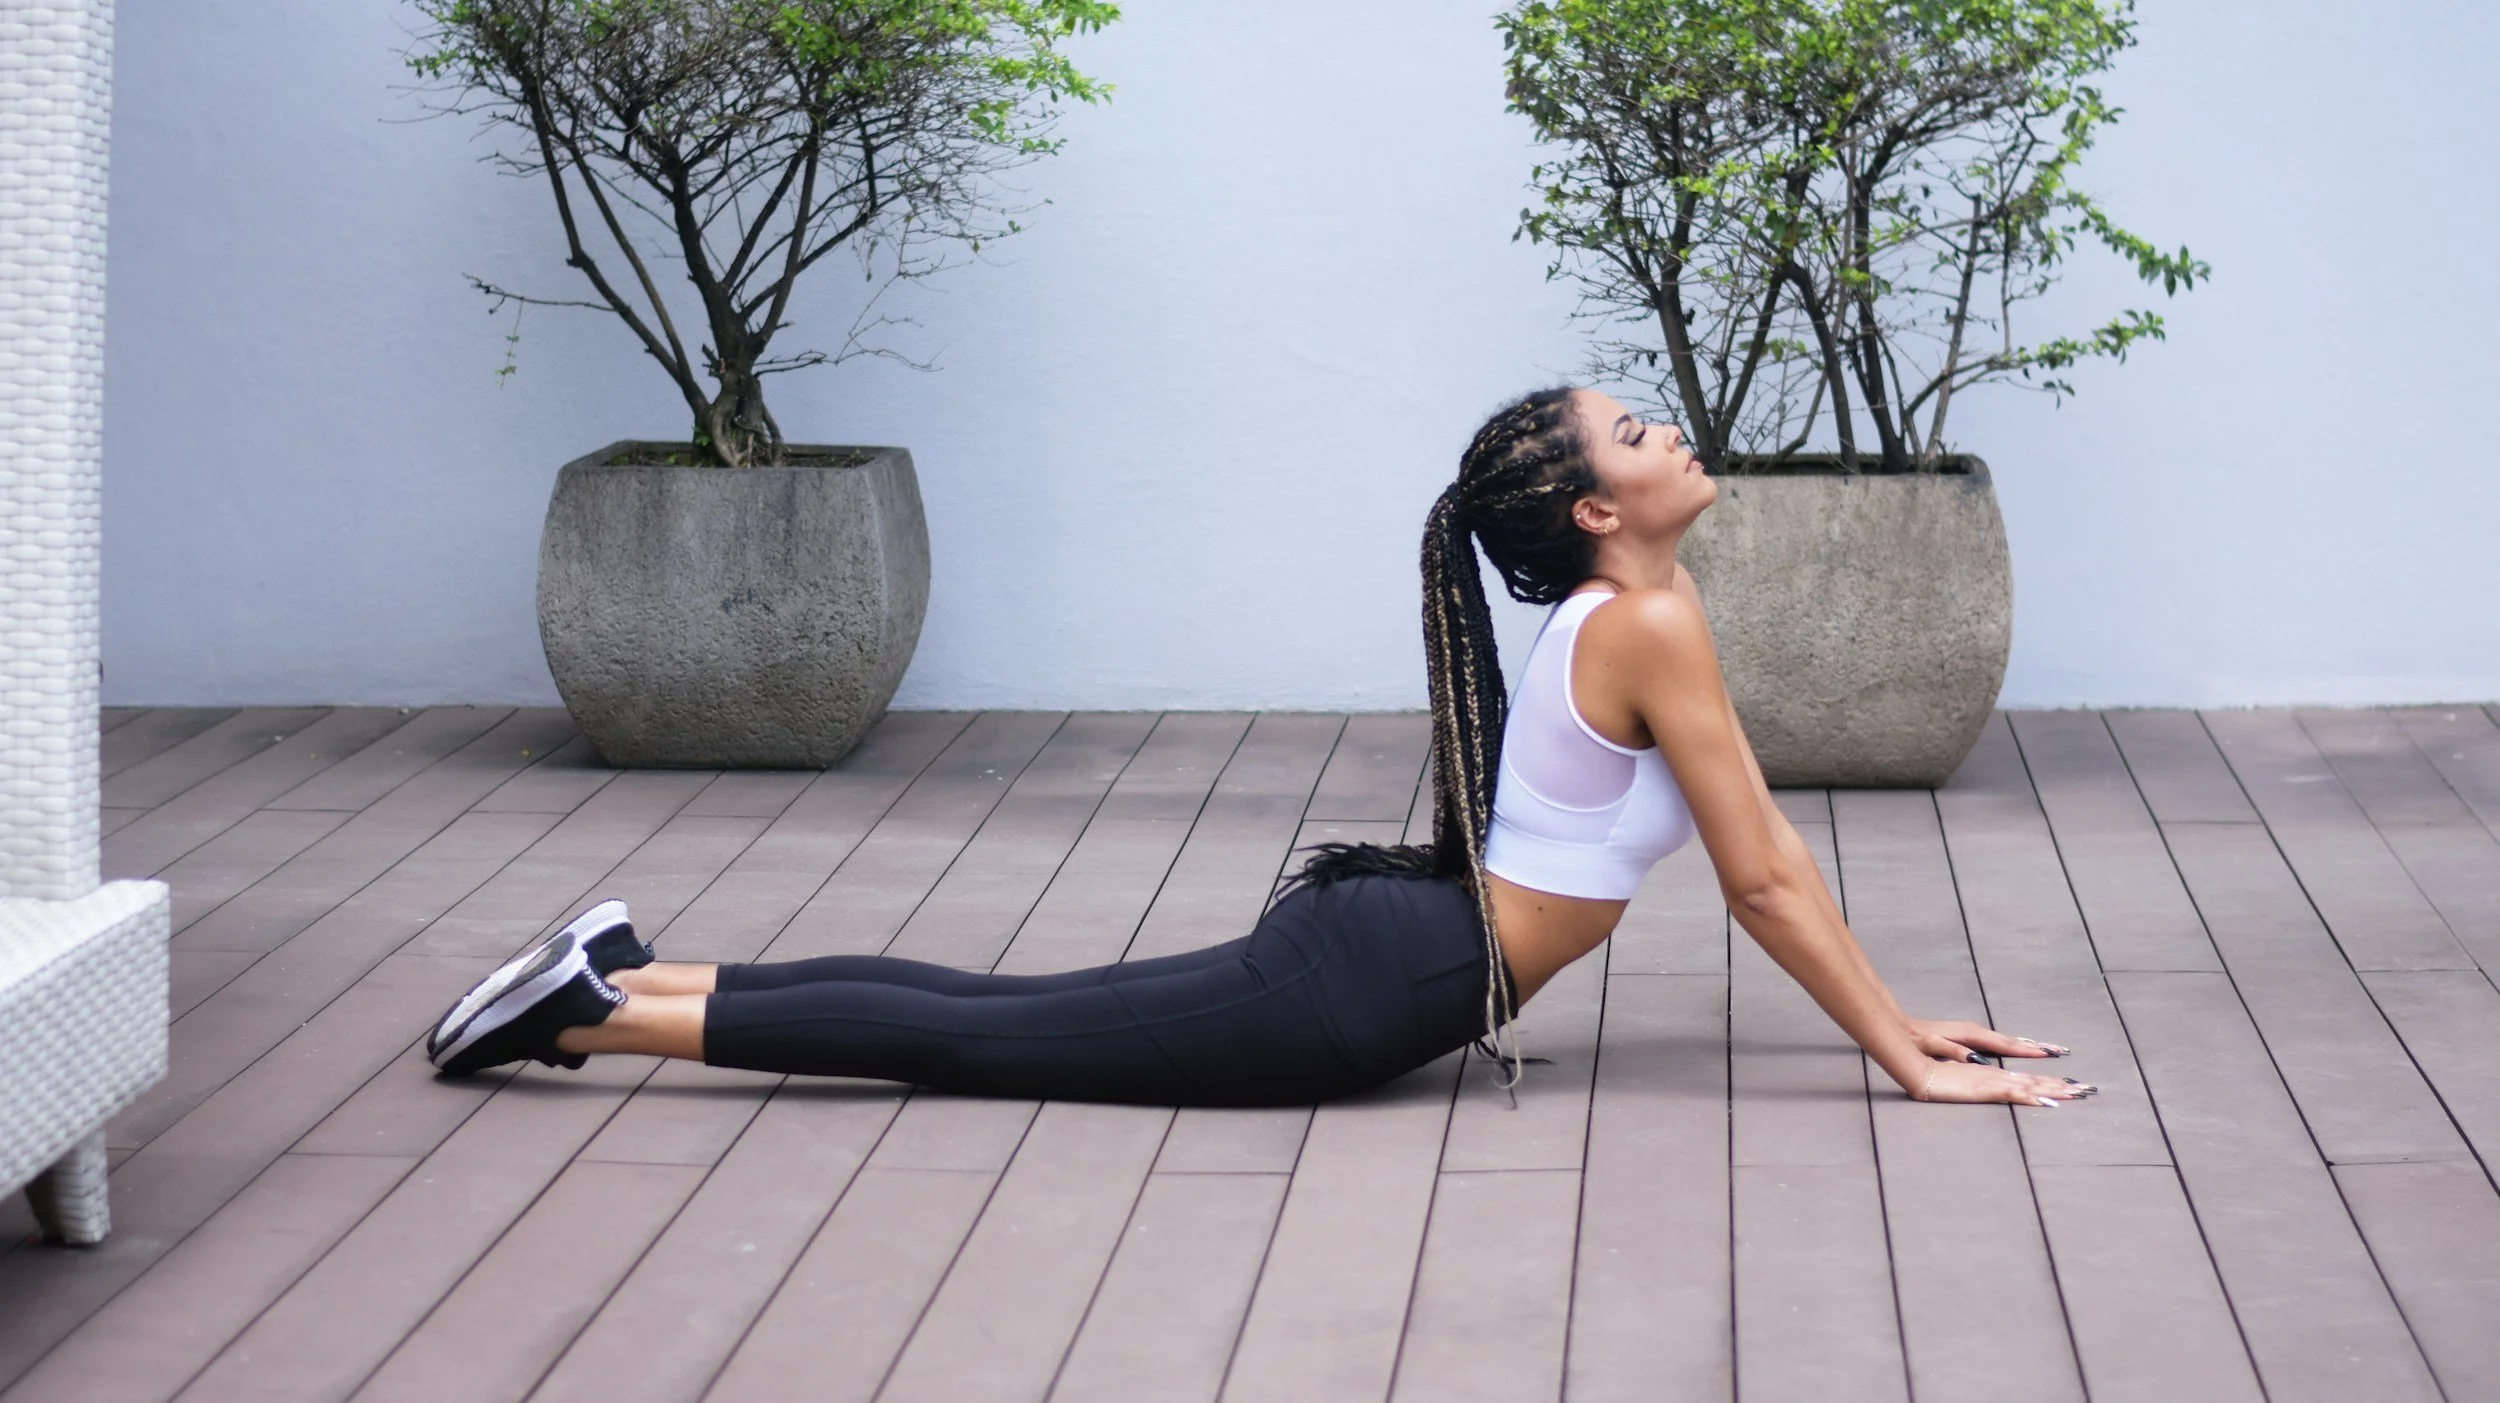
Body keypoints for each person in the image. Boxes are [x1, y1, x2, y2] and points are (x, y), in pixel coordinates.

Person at [426, 386, 2095, 1110]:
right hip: (1374, 983)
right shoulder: (1647, 621)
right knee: (986, 1035)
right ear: (1600, 510)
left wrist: (1899, 1023)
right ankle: (591, 1015)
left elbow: (1770, 864)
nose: (1672, 430)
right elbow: (1763, 877)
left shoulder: (1644, 609)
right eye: (1638, 430)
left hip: (1399, 955)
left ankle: (623, 978)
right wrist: (1904, 1056)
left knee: (996, 1014)